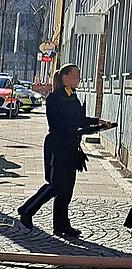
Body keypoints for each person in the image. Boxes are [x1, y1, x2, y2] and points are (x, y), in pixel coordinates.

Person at [17, 63, 114, 239]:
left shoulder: (72, 96)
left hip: (71, 148)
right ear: (65, 78)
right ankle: (27, 210)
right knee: (55, 185)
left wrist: (98, 122)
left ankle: (61, 225)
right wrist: (90, 128)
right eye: (76, 76)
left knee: (66, 190)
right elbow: (65, 125)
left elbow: (79, 119)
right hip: (57, 146)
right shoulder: (55, 98)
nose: (79, 79)